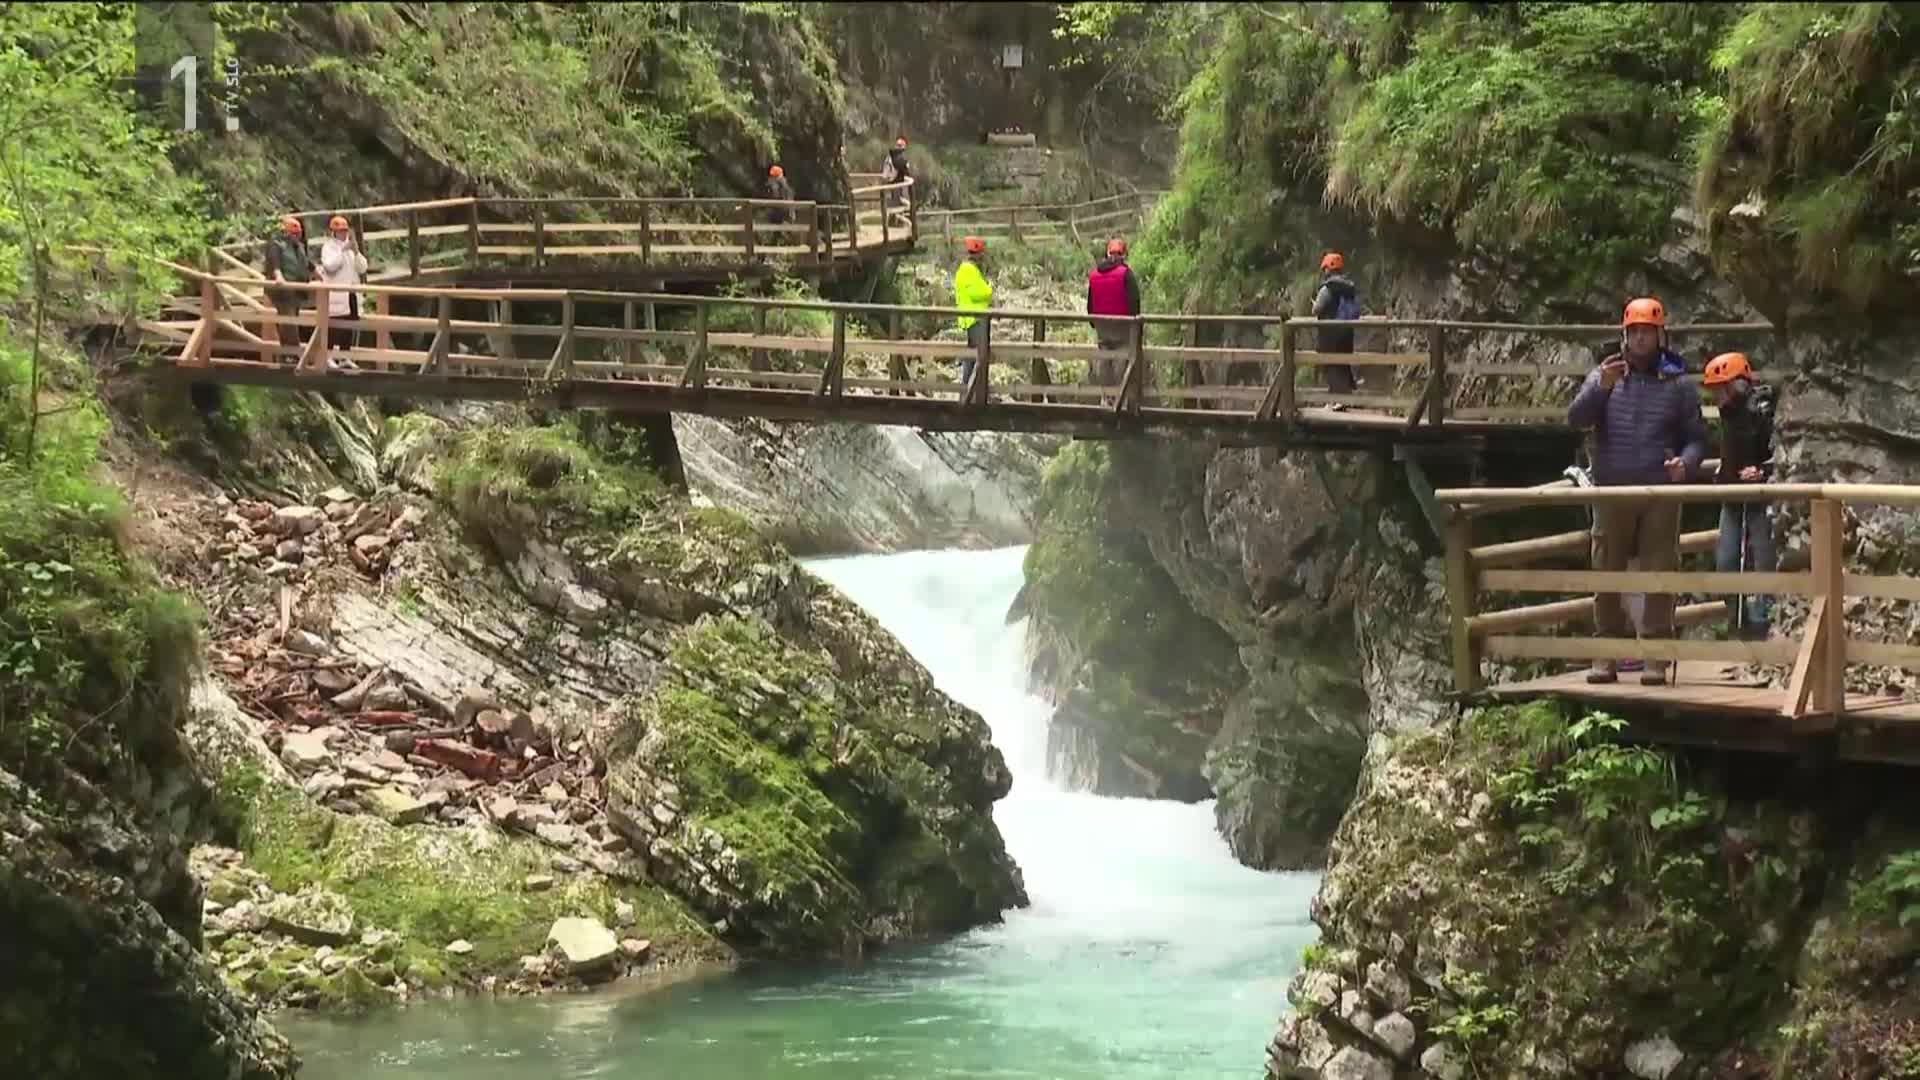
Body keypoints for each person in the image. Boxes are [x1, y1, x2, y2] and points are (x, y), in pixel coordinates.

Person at [1567, 297, 1710, 685]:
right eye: (1634, 332)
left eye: (1647, 331)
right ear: (1624, 335)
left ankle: (1655, 658)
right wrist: (1600, 389)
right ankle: (1605, 655)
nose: (1640, 338)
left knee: (1660, 572)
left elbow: (1697, 439)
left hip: (1660, 492)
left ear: (1660, 335)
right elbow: (1575, 418)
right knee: (1606, 572)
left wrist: (1686, 464)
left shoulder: (1678, 384)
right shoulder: (1605, 375)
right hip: (1611, 491)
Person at [1704, 352, 1778, 640]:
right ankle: (1740, 621)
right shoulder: (1728, 416)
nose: (1715, 396)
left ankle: (1762, 623)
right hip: (1732, 497)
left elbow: (1780, 454)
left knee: (1764, 561)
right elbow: (1729, 456)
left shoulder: (1763, 412)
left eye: (1719, 388)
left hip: (1759, 498)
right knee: (1726, 563)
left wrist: (1762, 471)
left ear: (1736, 385)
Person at [1086, 237, 1141, 386]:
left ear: (1107, 254)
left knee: (1104, 359)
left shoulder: (1094, 275)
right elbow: (1134, 302)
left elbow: (1090, 305)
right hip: (1123, 327)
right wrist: (1136, 327)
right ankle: (1120, 395)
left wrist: (1094, 323)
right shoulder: (1126, 274)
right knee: (1122, 363)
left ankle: (1106, 395)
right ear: (1124, 255)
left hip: (1102, 328)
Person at [316, 214, 367, 368]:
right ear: (333, 232)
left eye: (345, 230)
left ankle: (345, 357)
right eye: (340, 231)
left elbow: (362, 268)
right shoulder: (329, 247)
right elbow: (329, 266)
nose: (343, 234)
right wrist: (343, 251)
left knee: (349, 325)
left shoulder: (350, 247)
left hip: (351, 292)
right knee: (335, 326)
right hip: (337, 293)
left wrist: (356, 252)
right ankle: (328, 356)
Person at [1310, 251, 1360, 401]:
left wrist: (1314, 304)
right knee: (1343, 365)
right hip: (1347, 332)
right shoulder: (1349, 287)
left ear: (1327, 269)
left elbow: (1316, 310)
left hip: (1330, 333)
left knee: (1331, 365)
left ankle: (1339, 400)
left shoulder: (1327, 289)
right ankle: (1346, 398)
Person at [263, 214, 313, 359]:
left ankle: (288, 355)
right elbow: (275, 262)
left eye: (298, 234)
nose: (297, 237)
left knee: (291, 321)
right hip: (282, 292)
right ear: (286, 232)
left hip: (296, 291)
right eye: (294, 234)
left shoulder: (298, 246)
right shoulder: (276, 243)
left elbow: (307, 263)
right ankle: (294, 354)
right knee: (289, 322)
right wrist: (279, 276)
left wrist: (319, 275)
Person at [953, 235, 993, 388]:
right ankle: (972, 389)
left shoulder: (966, 270)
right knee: (978, 355)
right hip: (975, 318)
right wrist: (989, 289)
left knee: (973, 354)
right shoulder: (969, 271)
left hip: (972, 317)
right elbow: (979, 293)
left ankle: (969, 389)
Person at [881, 137, 912, 212]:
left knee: (900, 203)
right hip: (892, 182)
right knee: (906, 204)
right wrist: (906, 164)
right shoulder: (895, 156)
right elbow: (900, 165)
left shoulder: (892, 155)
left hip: (890, 182)